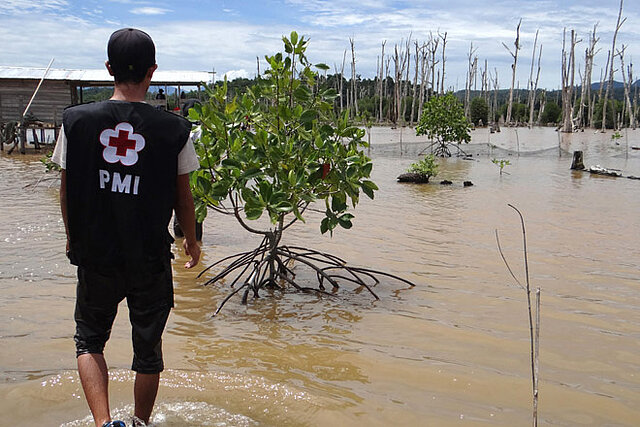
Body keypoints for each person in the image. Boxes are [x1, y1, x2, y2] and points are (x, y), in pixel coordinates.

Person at [51, 28, 201, 427]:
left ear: (108, 69)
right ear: (152, 71)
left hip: (96, 254)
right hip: (149, 257)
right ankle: (139, 423)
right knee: (148, 352)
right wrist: (192, 240)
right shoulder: (174, 130)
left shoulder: (76, 122)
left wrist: (72, 236)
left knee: (89, 341)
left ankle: (104, 424)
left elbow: (66, 190)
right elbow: (183, 195)